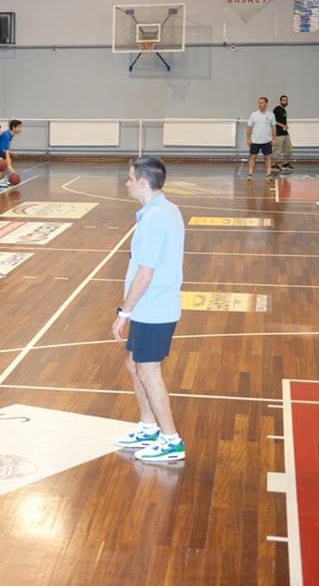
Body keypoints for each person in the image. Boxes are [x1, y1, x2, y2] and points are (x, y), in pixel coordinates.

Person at [112, 156, 186, 462]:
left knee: (148, 370)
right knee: (134, 364)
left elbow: (145, 273)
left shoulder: (156, 219)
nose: (127, 183)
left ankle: (171, 440)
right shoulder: (164, 210)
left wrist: (123, 313)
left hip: (154, 307)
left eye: (130, 178)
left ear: (143, 182)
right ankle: (148, 425)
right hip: (150, 308)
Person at [246, 96, 276, 181]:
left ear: (266, 104)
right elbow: (249, 128)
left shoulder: (271, 115)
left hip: (267, 140)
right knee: (252, 157)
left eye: (262, 102)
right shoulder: (253, 115)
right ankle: (250, 174)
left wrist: (274, 139)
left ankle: (268, 174)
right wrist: (248, 138)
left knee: (268, 158)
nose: (260, 104)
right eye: (259, 102)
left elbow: (274, 128)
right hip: (255, 140)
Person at [0, 120, 22, 188]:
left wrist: (10, 154)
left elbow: (6, 147)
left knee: (6, 162)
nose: (20, 129)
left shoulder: (10, 134)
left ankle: (1, 180)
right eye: (19, 127)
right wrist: (11, 168)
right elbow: (6, 150)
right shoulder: (6, 135)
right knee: (3, 164)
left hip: (0, 151)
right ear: (14, 128)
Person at [273, 95, 293, 174]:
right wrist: (282, 125)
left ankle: (285, 164)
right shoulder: (277, 109)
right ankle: (273, 165)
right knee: (278, 150)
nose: (285, 101)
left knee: (288, 148)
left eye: (286, 100)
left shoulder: (284, 110)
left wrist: (286, 126)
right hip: (279, 134)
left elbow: (283, 121)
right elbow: (273, 121)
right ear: (280, 101)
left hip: (285, 133)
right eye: (284, 100)